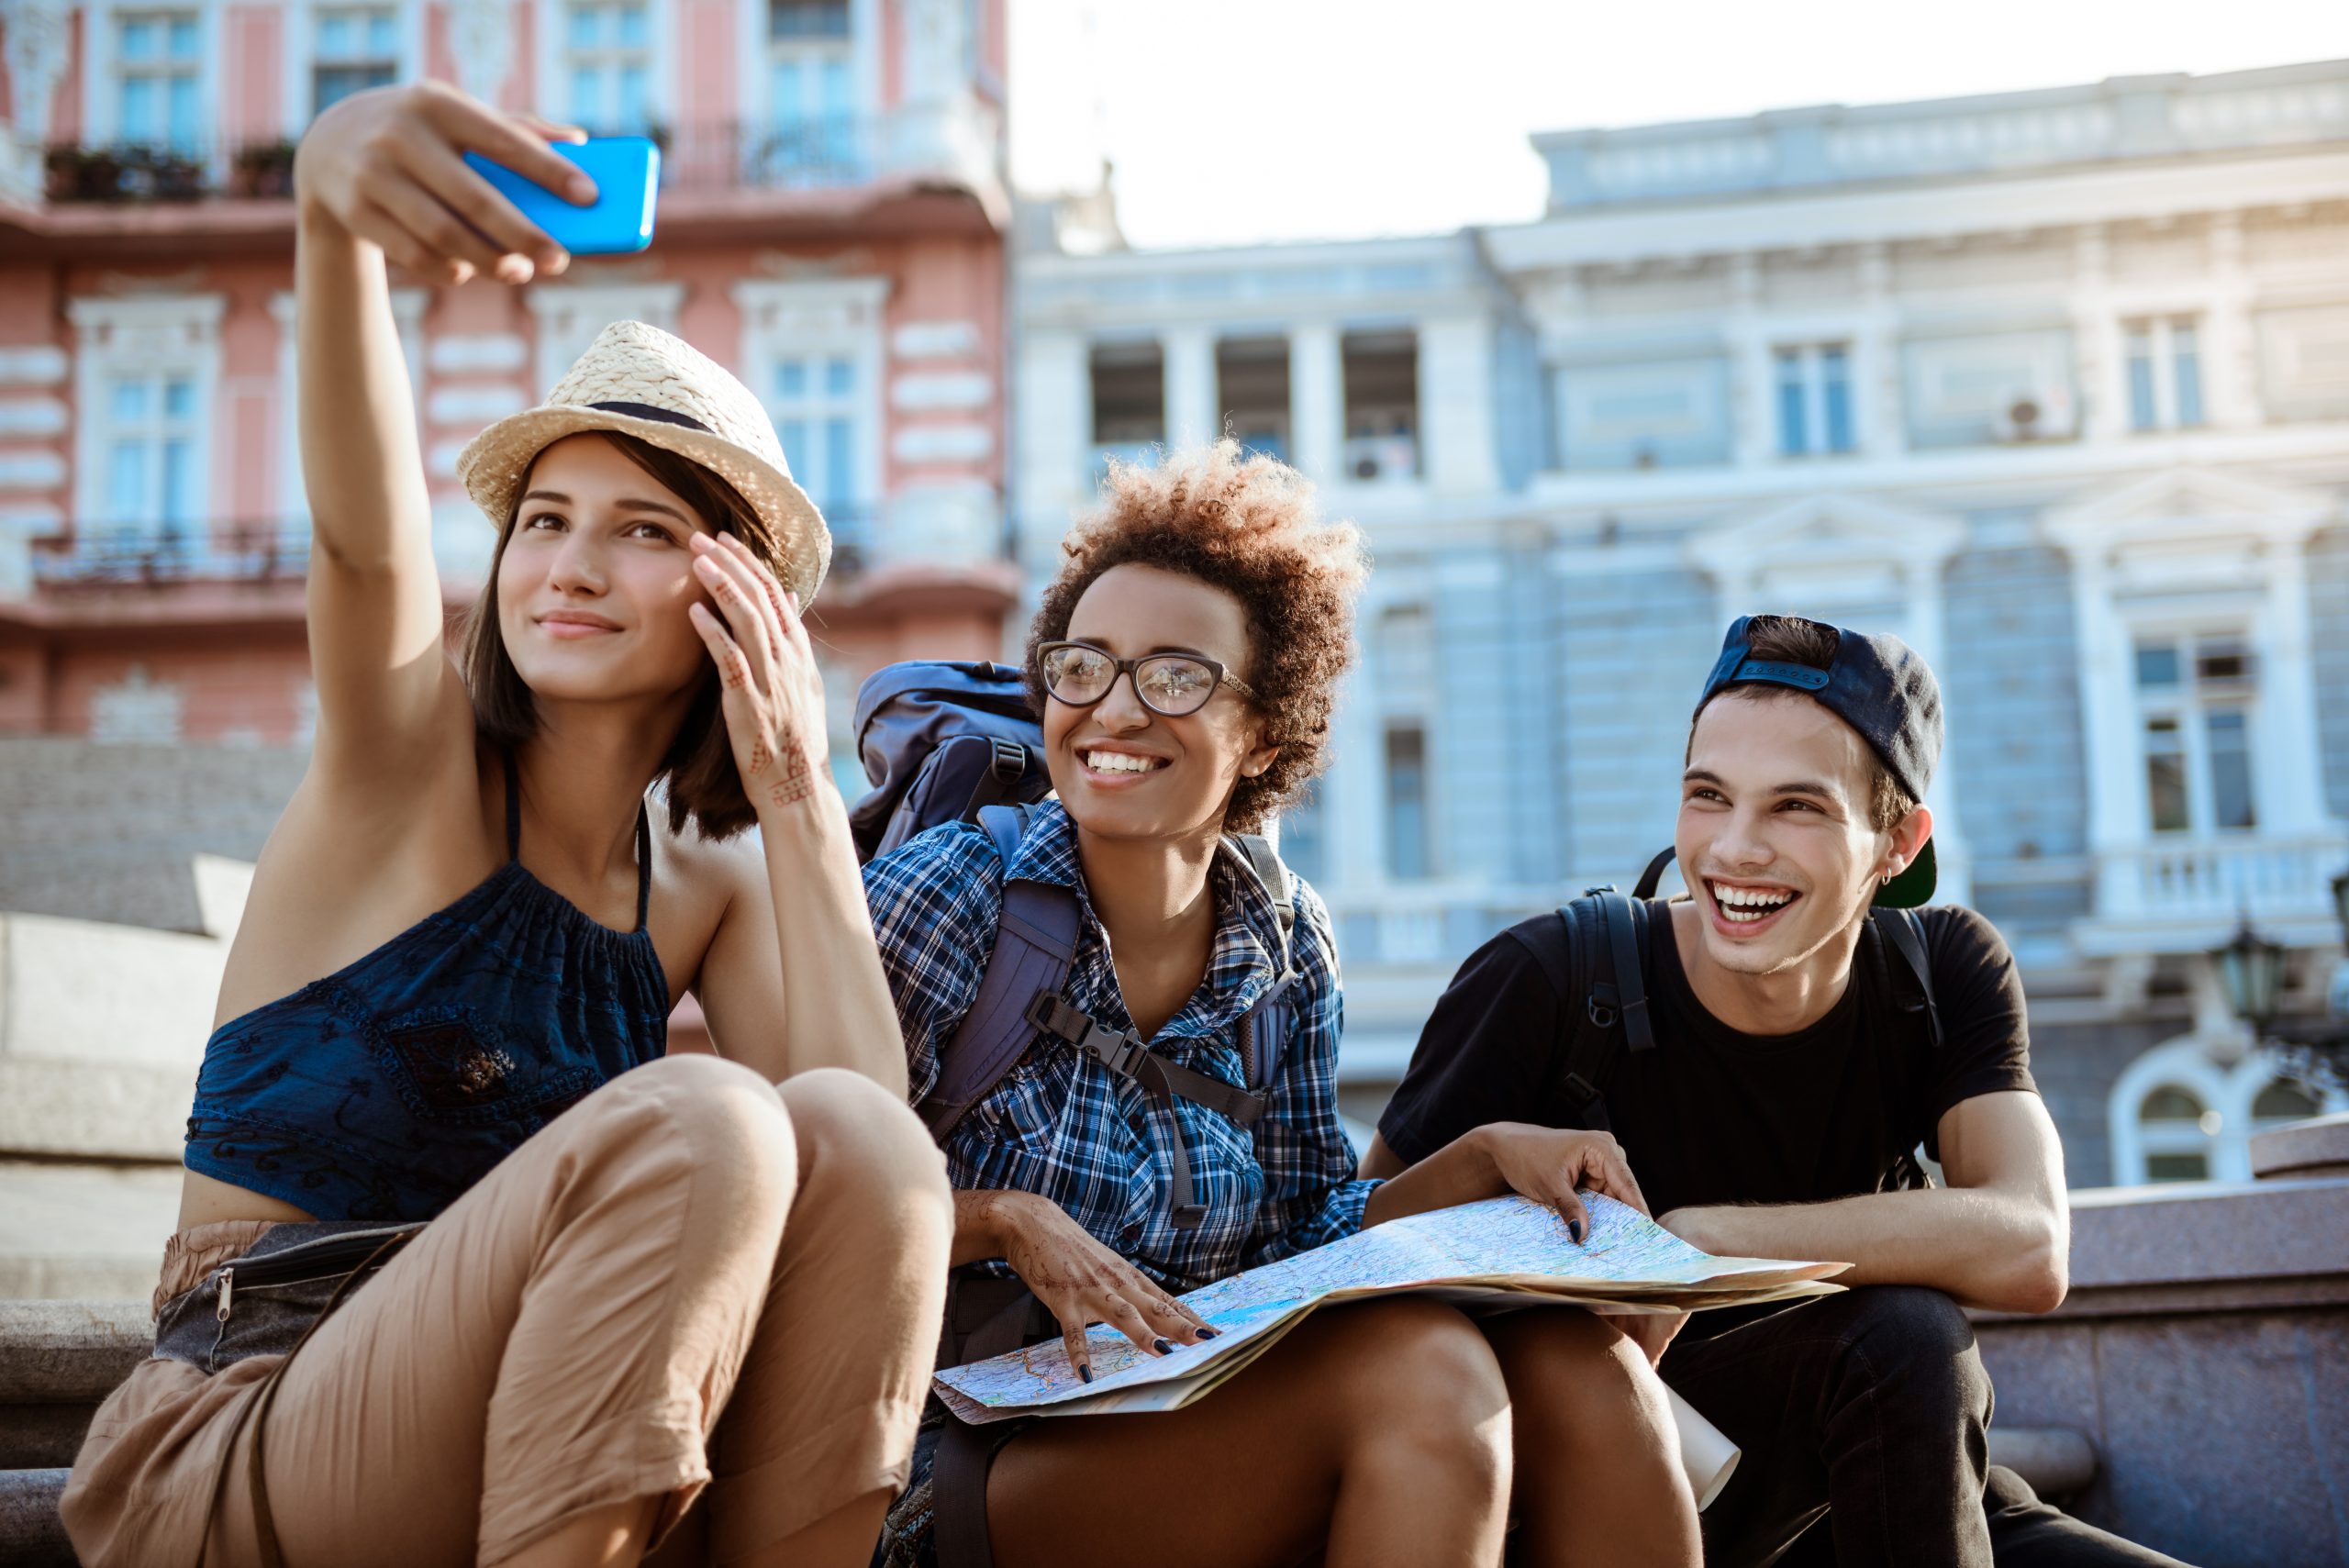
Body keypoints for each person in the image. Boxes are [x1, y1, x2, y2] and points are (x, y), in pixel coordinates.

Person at [61, 82, 951, 1568]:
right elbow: (358, 538)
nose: (571, 562)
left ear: (736, 599)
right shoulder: (409, 760)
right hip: (250, 1412)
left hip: (531, 1425)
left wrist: (798, 784)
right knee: (705, 1110)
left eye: (643, 528)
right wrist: (333, 222)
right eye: (545, 516)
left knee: (852, 1138)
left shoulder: (709, 877)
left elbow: (868, 1145)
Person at [862, 442, 1702, 1568]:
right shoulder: (952, 891)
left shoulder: (1287, 938)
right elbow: (805, 1200)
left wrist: (1485, 1158)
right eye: (1083, 666)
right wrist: (1007, 1218)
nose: (1112, 708)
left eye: (1174, 675)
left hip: (1192, 1401)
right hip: (947, 1449)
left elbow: (1299, 1236)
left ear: (1265, 728)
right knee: (1423, 1376)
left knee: (1572, 1360)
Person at [1366, 614, 2191, 1568]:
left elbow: (2030, 1244)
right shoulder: (1549, 975)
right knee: (1905, 1334)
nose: (1734, 849)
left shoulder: (1943, 968)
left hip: (1894, 1482)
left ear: (1896, 841)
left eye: (1795, 806)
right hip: (1623, 1483)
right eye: (1707, 795)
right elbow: (1354, 1237)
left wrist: (1706, 1239)